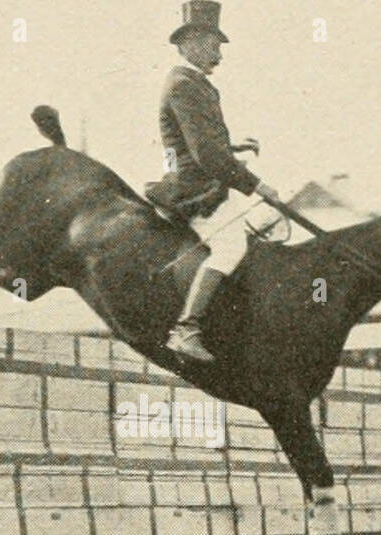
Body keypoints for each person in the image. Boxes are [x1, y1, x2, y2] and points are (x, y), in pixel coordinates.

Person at [148, 1, 281, 364]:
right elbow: (205, 154)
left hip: (204, 179)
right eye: (212, 43)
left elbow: (203, 141)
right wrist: (257, 186)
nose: (218, 52)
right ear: (188, 42)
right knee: (230, 246)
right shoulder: (183, 85)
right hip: (194, 187)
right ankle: (186, 329)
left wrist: (234, 146)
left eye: (219, 45)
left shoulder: (194, 83)